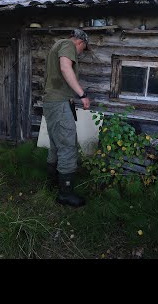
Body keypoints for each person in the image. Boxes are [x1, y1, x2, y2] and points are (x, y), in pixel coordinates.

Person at [42, 28, 90, 207]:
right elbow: (65, 67)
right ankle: (65, 193)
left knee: (56, 144)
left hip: (54, 102)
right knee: (68, 146)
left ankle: (52, 183)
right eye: (82, 49)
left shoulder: (58, 45)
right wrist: (82, 94)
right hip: (58, 103)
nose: (80, 53)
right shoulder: (68, 44)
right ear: (80, 42)